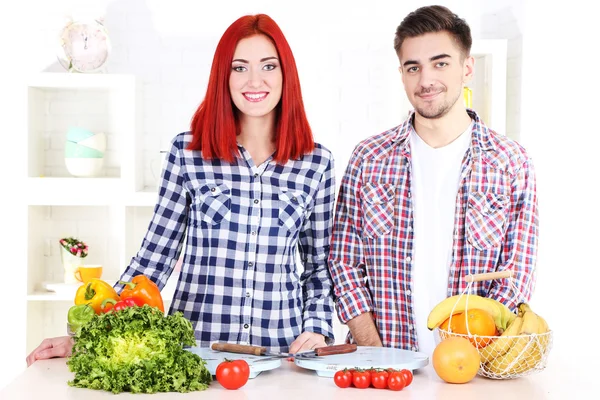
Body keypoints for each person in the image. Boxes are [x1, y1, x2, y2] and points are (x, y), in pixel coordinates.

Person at [27, 14, 336, 366]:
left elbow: (318, 269)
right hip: (197, 355)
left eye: (269, 66)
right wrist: (84, 335)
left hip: (283, 355)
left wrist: (317, 329)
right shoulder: (188, 153)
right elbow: (153, 259)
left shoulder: (316, 163)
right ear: (223, 75)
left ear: (286, 75)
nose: (255, 80)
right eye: (239, 68)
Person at [328, 5, 538, 356]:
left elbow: (516, 274)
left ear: (467, 68)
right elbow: (343, 261)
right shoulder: (369, 157)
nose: (425, 80)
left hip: (473, 371)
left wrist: (473, 355)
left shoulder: (510, 162)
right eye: (414, 67)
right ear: (402, 73)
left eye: (440, 63)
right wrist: (377, 353)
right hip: (384, 371)